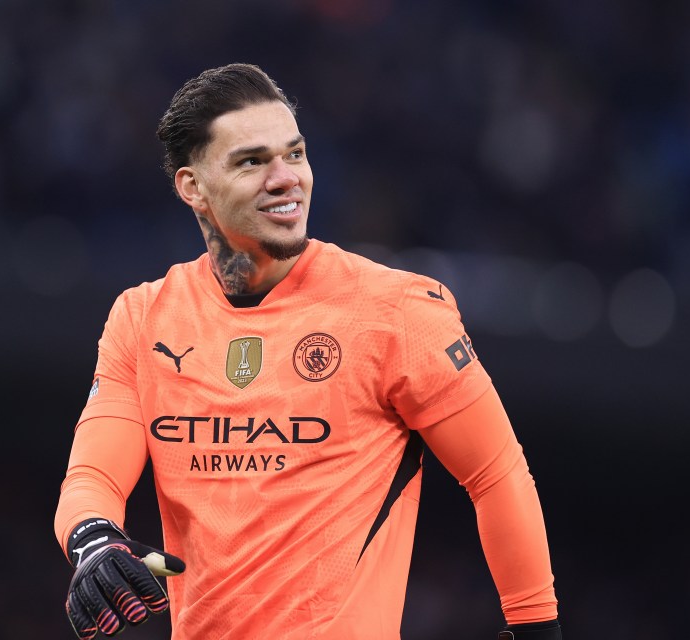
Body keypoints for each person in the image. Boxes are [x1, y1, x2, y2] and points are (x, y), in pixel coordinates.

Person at [54, 62, 561, 640]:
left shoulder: (397, 313)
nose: (285, 178)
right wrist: (94, 540)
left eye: (294, 155)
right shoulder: (143, 318)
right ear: (193, 187)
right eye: (252, 161)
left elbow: (495, 472)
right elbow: (93, 474)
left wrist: (536, 626)